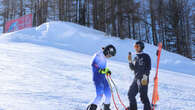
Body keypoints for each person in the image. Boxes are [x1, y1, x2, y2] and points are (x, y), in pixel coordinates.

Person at [87, 44, 116, 110]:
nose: (110, 57)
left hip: (103, 78)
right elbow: (93, 65)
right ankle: (92, 107)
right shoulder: (98, 55)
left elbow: (102, 67)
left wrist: (107, 71)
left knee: (108, 93)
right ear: (107, 51)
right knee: (100, 94)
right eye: (110, 55)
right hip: (97, 78)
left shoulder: (104, 57)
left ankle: (105, 107)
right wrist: (102, 70)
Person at [127, 41, 151, 110]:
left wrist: (145, 77)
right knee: (130, 94)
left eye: (137, 46)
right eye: (135, 47)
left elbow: (148, 67)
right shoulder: (135, 57)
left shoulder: (146, 56)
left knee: (143, 96)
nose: (136, 48)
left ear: (141, 47)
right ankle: (133, 108)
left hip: (143, 78)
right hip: (136, 79)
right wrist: (130, 61)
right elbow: (132, 68)